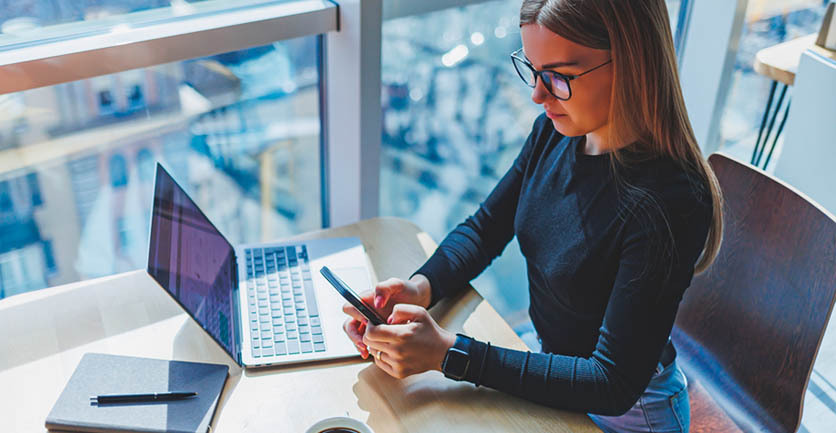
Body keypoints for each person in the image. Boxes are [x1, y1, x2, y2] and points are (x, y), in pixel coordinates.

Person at [342, 1, 723, 432]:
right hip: (553, 370)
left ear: (632, 61)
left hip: (628, 414)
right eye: (533, 69)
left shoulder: (670, 201)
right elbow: (486, 229)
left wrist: (448, 353)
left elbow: (612, 383)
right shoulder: (557, 131)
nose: (537, 95)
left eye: (558, 77)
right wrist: (419, 288)